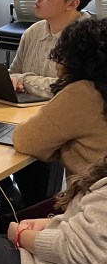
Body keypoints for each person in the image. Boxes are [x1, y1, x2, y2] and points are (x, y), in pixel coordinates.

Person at [13, 17, 107, 180]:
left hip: (92, 199)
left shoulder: (83, 93)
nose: (56, 61)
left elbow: (25, 140)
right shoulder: (100, 88)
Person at [9, 0, 95, 99]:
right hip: (27, 111)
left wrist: (24, 80)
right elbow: (13, 75)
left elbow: (70, 88)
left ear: (72, 4)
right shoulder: (33, 32)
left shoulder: (90, 38)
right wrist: (14, 80)